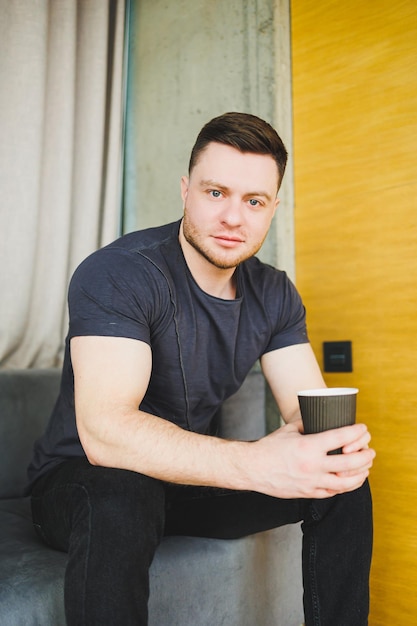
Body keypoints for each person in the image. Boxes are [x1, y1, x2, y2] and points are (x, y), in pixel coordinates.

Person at [28, 112, 374, 625]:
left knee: (340, 480)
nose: (234, 217)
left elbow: (308, 410)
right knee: (127, 489)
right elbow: (106, 435)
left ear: (273, 208)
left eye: (254, 201)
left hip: (188, 483)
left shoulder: (274, 293)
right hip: (84, 483)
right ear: (186, 190)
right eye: (217, 193)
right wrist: (257, 462)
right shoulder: (120, 272)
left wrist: (330, 448)